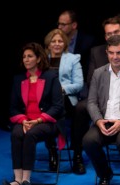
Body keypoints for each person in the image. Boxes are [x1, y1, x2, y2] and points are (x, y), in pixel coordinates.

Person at [71, 16, 120, 174]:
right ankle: (103, 173)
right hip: (104, 112)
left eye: (119, 53)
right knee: (88, 139)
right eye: (111, 53)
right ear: (107, 52)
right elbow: (92, 98)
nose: (115, 57)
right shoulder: (99, 69)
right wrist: (98, 120)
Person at [3, 42, 64, 185]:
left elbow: (58, 106)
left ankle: (26, 180)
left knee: (31, 134)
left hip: (47, 121)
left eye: (30, 56)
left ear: (38, 59)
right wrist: (24, 120)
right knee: (17, 134)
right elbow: (13, 108)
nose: (26, 59)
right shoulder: (19, 79)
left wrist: (37, 121)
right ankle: (17, 179)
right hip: (25, 120)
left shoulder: (51, 77)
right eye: (24, 57)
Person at [44, 28, 85, 174]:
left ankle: (77, 157)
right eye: (53, 41)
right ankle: (52, 152)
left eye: (60, 41)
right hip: (47, 100)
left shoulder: (73, 59)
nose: (56, 44)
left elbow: (79, 84)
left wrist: (60, 89)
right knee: (46, 109)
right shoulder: (42, 60)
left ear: (65, 43)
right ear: (48, 44)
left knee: (79, 114)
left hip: (67, 99)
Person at [57, 9, 97, 81]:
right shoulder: (55, 40)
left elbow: (88, 69)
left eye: (63, 24)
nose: (59, 27)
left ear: (74, 25)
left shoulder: (87, 42)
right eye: (59, 24)